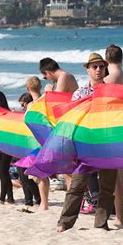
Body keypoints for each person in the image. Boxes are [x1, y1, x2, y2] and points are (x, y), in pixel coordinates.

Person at [57, 53, 118, 232]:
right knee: (77, 185)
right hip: (85, 144)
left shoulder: (112, 91)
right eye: (94, 67)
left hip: (107, 144)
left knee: (107, 187)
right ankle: (65, 222)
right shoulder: (80, 93)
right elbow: (71, 119)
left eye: (101, 66)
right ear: (88, 70)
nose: (98, 70)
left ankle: (101, 222)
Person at [104, 44, 123, 226]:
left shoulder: (108, 80)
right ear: (122, 59)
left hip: (110, 128)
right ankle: (120, 217)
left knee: (114, 179)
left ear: (107, 59)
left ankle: (120, 218)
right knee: (121, 177)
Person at [39, 58, 78, 190]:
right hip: (68, 122)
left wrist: (48, 92)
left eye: (45, 77)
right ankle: (72, 195)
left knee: (68, 166)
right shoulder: (66, 76)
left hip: (69, 124)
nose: (48, 80)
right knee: (66, 166)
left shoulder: (63, 77)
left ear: (48, 72)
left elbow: (57, 103)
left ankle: (78, 197)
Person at [25, 76, 51, 211]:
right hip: (47, 140)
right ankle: (44, 203)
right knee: (40, 174)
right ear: (39, 86)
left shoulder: (31, 106)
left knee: (40, 174)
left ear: (28, 88)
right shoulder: (46, 100)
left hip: (35, 142)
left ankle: (44, 204)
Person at [0, 91, 15, 204]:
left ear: (1, 102)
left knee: (3, 172)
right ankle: (10, 198)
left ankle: (2, 198)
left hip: (6, 146)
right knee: (2, 171)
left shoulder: (8, 114)